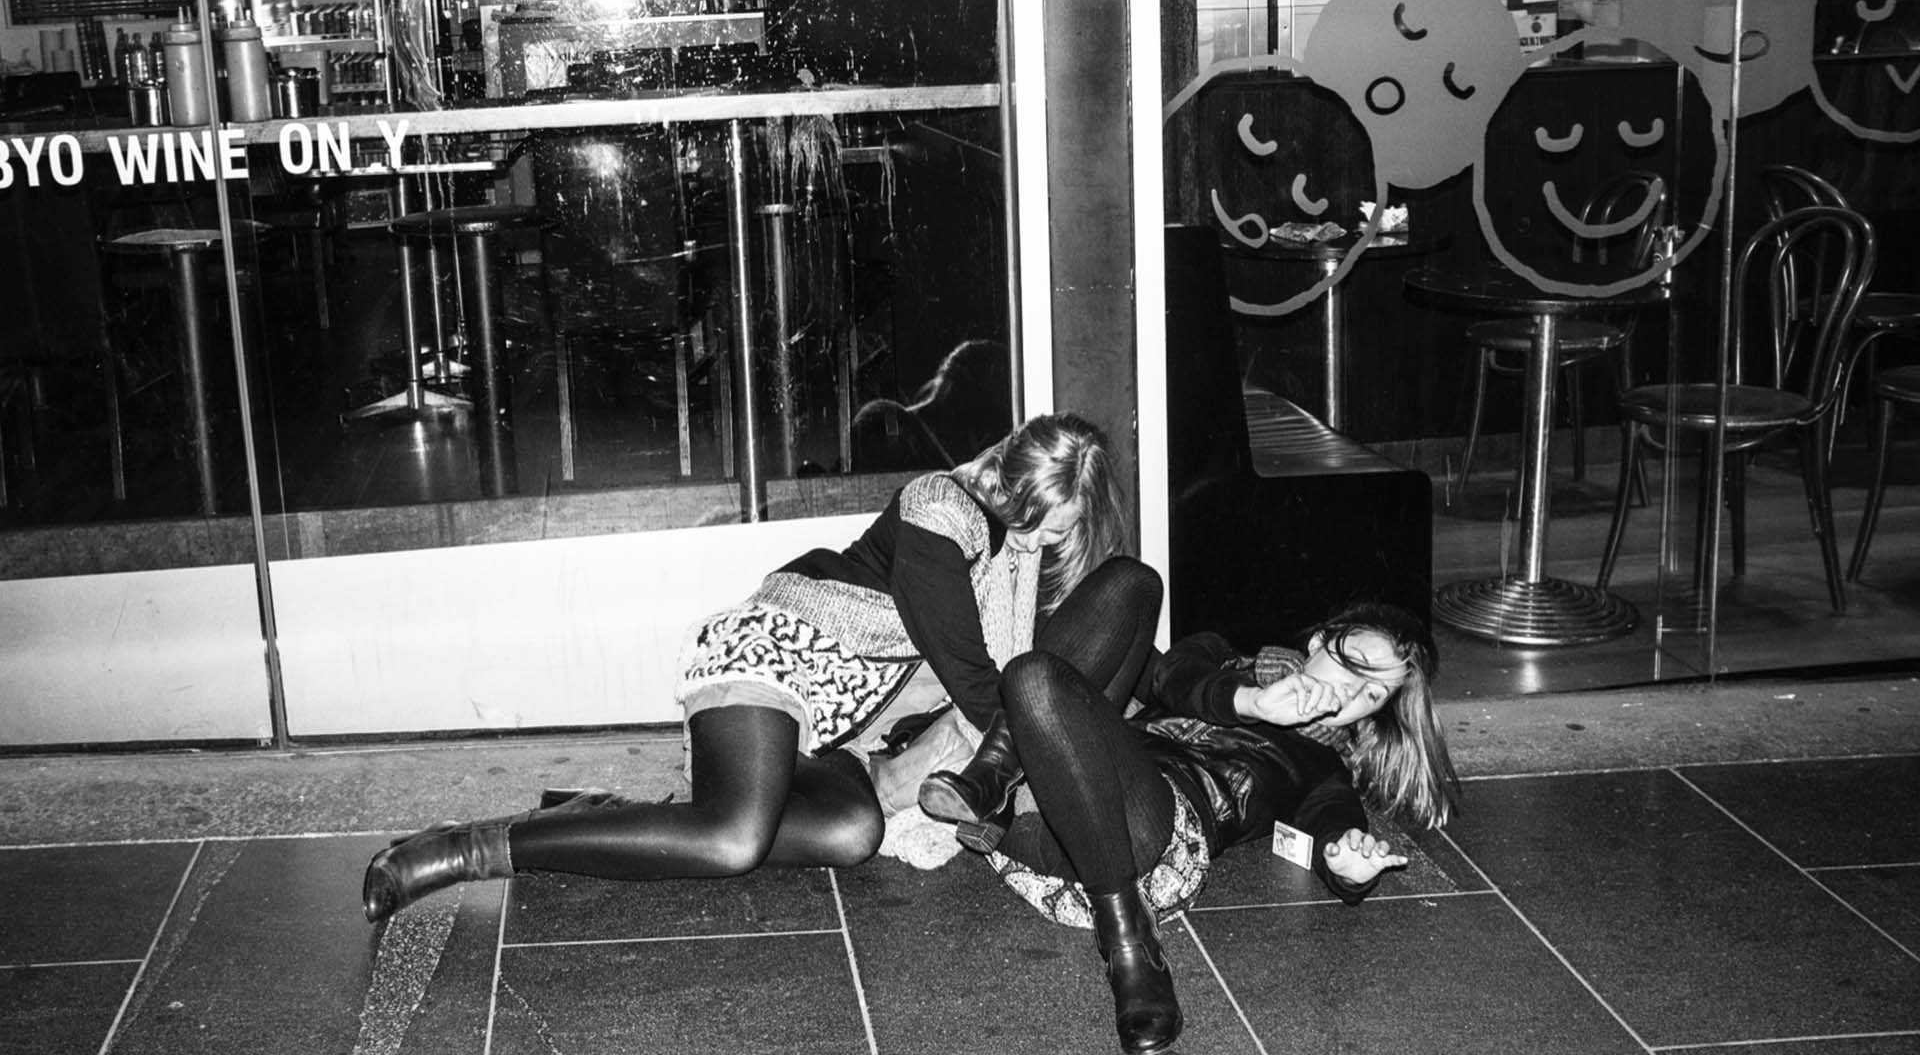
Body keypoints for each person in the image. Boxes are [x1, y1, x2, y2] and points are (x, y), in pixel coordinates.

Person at [362, 411, 1163, 922]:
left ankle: (607, 813)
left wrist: (1162, 690)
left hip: (838, 729)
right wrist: (1050, 740)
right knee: (732, 838)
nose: (1035, 540)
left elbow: (1072, 655)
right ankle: (469, 848)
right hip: (775, 657)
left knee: (853, 831)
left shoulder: (1015, 561)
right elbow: (977, 680)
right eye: (1030, 517)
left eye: (1055, 531)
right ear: (1006, 476)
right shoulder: (939, 512)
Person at [968, 602, 1459, 1055]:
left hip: (1149, 846)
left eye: (1372, 693)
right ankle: (999, 776)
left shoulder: (1323, 767)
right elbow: (1171, 677)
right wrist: (1253, 702)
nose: (1351, 690)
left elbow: (1335, 824)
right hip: (1062, 813)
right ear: (1318, 643)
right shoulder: (1217, 657)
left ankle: (1129, 944)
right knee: (1132, 586)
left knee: (1035, 677)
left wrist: (1349, 866)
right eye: (1353, 663)